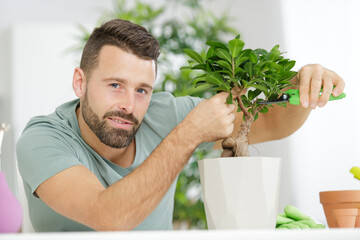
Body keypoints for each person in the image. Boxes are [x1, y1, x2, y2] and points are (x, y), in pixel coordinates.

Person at [16, 19, 345, 232]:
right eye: (115, 85)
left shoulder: (165, 113)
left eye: (142, 90)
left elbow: (271, 122)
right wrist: (187, 135)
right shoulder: (43, 139)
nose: (129, 106)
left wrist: (303, 86)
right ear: (80, 82)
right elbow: (108, 217)